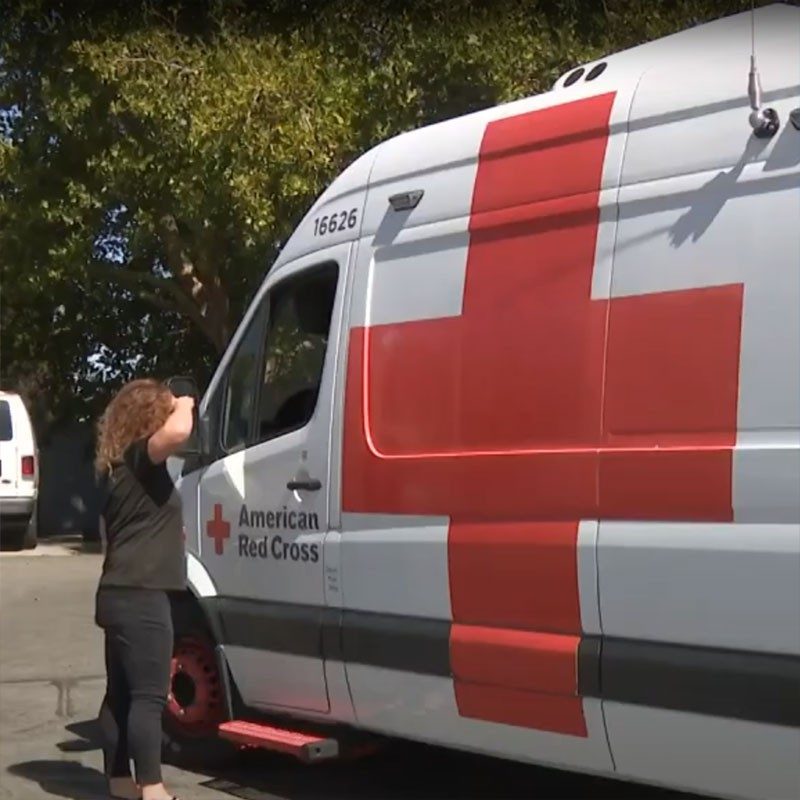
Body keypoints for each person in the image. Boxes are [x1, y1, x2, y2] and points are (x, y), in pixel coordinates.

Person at [94, 379, 195, 800]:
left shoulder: (115, 468)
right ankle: (153, 789)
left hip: (117, 592)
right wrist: (184, 401)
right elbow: (178, 432)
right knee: (149, 697)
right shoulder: (140, 457)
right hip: (142, 596)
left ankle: (120, 782)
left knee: (119, 695)